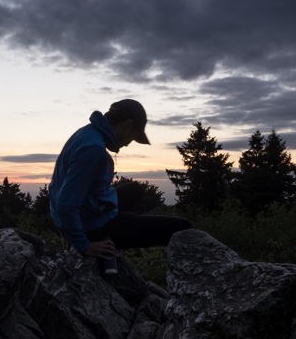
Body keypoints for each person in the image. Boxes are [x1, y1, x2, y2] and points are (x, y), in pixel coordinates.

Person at [48, 99, 192, 272]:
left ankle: (116, 228)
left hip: (79, 213)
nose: (129, 143)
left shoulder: (86, 133)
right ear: (127, 125)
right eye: (134, 137)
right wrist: (83, 245)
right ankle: (109, 235)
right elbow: (66, 203)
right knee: (181, 228)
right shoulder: (94, 150)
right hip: (91, 227)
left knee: (136, 190)